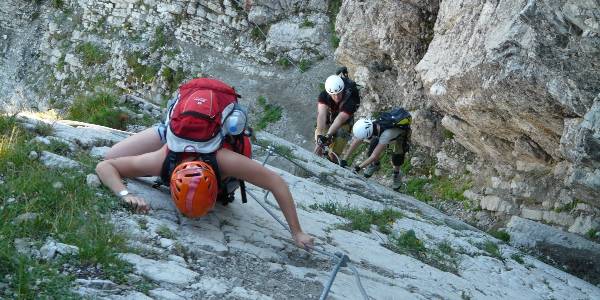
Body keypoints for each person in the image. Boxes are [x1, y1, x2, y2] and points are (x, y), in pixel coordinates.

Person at [96, 78, 314, 250]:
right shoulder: (162, 160)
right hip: (174, 138)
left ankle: (167, 134)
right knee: (111, 154)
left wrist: (297, 232)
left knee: (117, 157)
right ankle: (166, 129)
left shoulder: (225, 160)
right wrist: (125, 195)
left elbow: (275, 182)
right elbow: (105, 165)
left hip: (211, 140)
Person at [341, 109, 412, 190]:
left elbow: (374, 156)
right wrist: (344, 159)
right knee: (372, 147)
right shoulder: (372, 124)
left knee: (397, 157)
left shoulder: (386, 135)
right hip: (384, 132)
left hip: (400, 135)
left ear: (369, 134)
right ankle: (375, 165)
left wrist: (358, 168)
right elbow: (357, 140)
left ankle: (397, 173)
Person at [314, 71, 360, 163]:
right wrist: (320, 134)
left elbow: (340, 120)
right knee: (319, 145)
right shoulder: (324, 95)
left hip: (344, 123)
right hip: (328, 120)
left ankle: (332, 164)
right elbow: (322, 115)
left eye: (339, 93)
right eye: (333, 94)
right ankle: (315, 161)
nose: (336, 96)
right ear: (329, 93)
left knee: (334, 154)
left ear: (343, 90)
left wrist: (328, 135)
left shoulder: (351, 100)